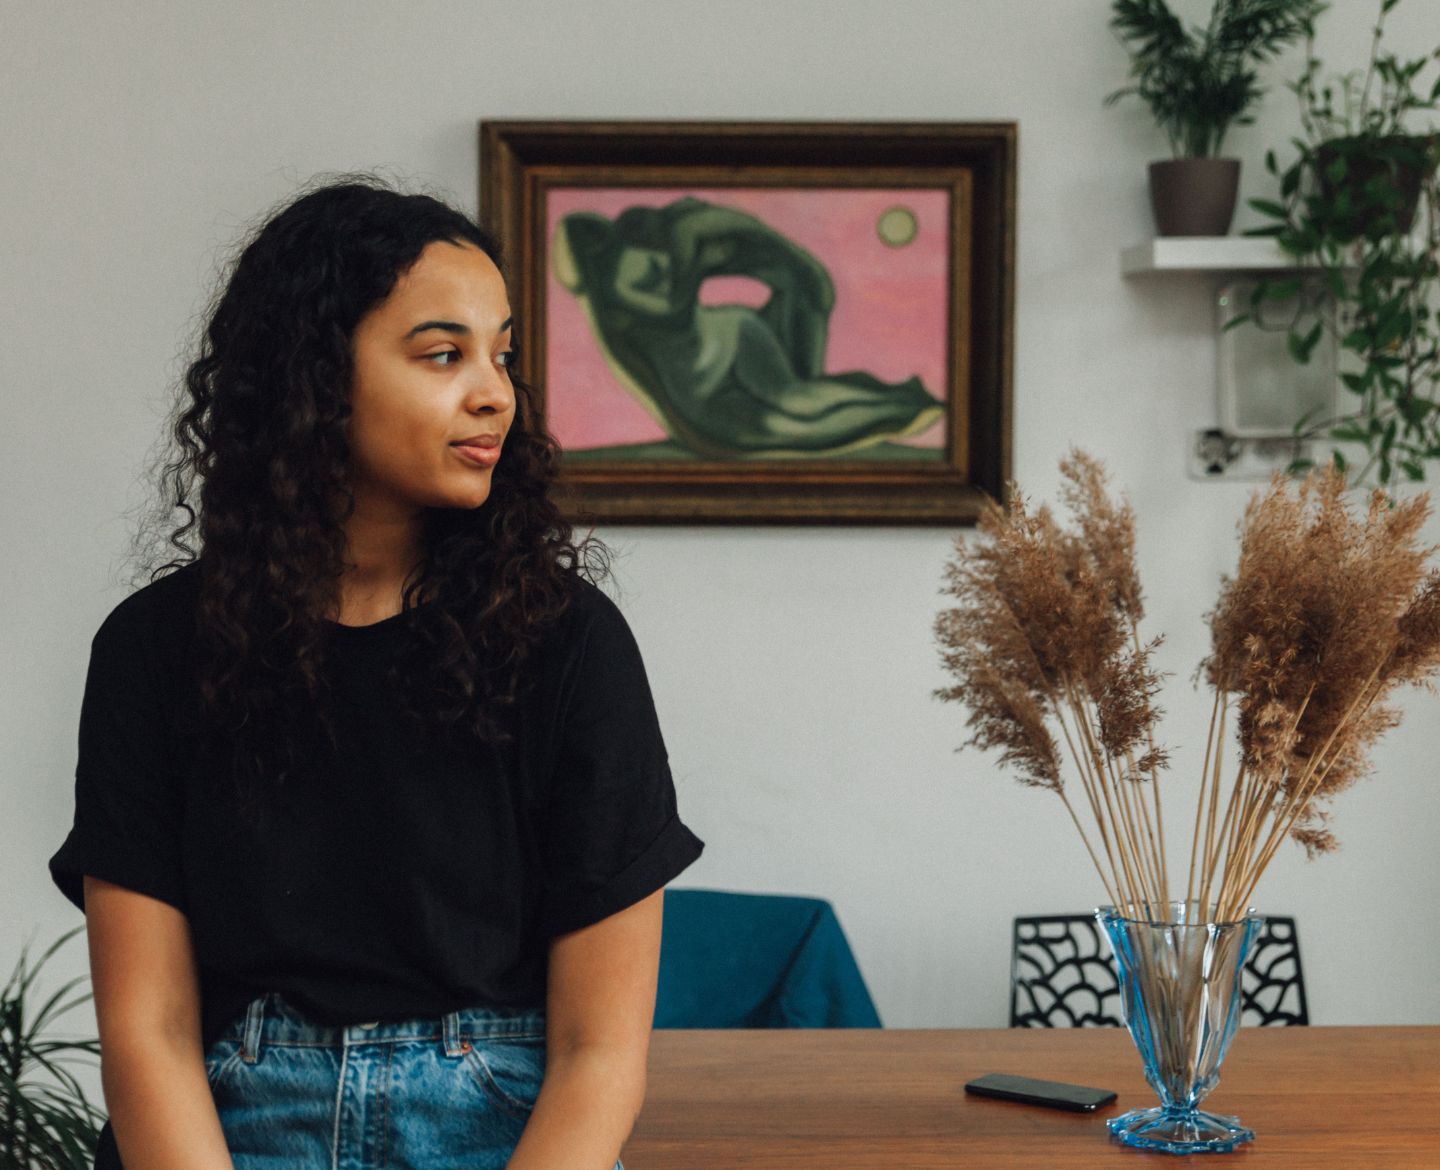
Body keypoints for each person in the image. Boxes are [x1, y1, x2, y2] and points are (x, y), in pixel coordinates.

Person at [48, 173, 705, 1170]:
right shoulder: (154, 648)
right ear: (315, 379)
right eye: (444, 354)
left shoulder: (570, 642)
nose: (495, 392)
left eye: (504, 355)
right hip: (226, 1121)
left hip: (500, 1122)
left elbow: (599, 1053)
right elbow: (150, 1035)